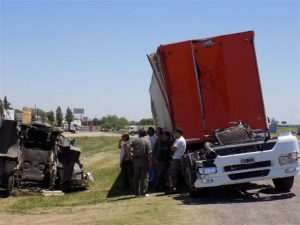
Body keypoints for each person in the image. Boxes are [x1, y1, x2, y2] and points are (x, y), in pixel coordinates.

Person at [126, 129, 152, 197]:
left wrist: (130, 156)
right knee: (144, 177)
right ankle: (143, 193)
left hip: (135, 160)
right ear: (145, 134)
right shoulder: (147, 141)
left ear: (139, 134)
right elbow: (149, 153)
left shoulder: (134, 140)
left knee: (136, 177)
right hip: (144, 160)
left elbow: (127, 147)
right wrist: (150, 161)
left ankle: (136, 193)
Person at [166, 128, 186, 194]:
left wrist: (172, 147)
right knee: (171, 173)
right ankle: (173, 188)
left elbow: (173, 149)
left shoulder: (180, 140)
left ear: (178, 133)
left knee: (172, 174)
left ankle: (173, 188)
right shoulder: (178, 140)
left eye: (175, 133)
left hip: (177, 159)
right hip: (176, 158)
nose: (174, 134)